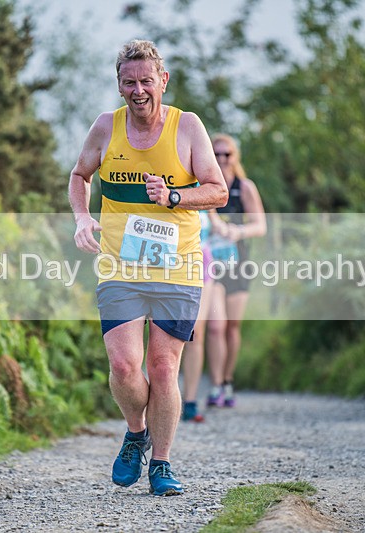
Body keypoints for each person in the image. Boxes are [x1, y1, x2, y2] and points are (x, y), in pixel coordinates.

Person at [68, 39, 228, 496]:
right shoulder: (106, 127)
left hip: (177, 265)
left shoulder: (187, 126)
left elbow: (217, 191)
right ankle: (136, 432)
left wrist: (174, 195)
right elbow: (79, 176)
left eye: (146, 81)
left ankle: (161, 463)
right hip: (121, 264)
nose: (138, 90)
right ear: (119, 85)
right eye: (129, 82)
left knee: (162, 367)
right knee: (123, 367)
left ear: (163, 80)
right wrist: (82, 217)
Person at [205, 133, 266, 409]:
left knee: (232, 327)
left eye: (226, 154)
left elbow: (260, 226)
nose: (221, 159)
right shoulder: (204, 185)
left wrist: (236, 231)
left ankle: (228, 381)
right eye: (216, 154)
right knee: (215, 327)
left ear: (234, 156)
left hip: (239, 263)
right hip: (212, 265)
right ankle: (215, 384)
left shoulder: (245, 187)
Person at [179, 210, 216, 423]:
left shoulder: (207, 192)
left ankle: (190, 402)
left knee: (195, 332)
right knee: (166, 331)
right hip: (170, 260)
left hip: (202, 260)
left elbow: (216, 222)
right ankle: (161, 399)